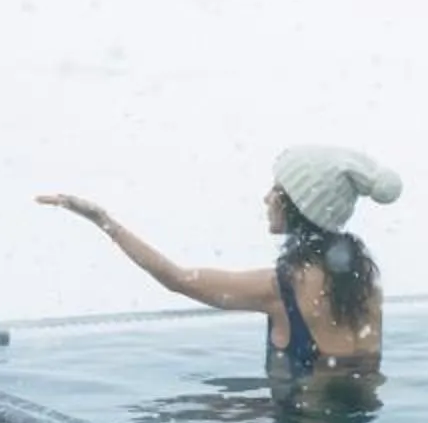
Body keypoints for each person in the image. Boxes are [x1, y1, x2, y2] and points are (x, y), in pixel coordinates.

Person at [38, 146, 401, 374]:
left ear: (299, 206)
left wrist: (103, 220)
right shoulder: (363, 280)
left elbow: (177, 279)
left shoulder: (282, 286)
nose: (266, 199)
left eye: (276, 191)